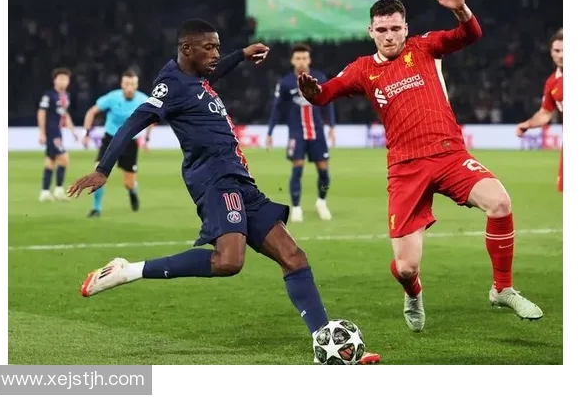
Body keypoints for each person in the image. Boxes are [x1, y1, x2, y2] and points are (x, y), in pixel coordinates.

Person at [67, 19, 380, 364]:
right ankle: (128, 270)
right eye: (210, 48)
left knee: (294, 257)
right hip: (215, 181)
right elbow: (134, 121)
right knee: (229, 261)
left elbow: (216, 71)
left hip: (241, 181)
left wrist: (242, 55)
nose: (217, 53)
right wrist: (103, 168)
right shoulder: (171, 85)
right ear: (187, 49)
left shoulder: (199, 78)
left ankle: (326, 345)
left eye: (218, 47)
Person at [297, 0, 543, 332]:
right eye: (382, 30)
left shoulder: (424, 47)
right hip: (405, 168)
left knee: (500, 202)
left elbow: (469, 35)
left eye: (395, 28)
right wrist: (312, 92)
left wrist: (461, 11)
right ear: (371, 31)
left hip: (448, 154)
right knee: (406, 267)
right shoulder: (362, 69)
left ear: (406, 28)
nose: (389, 36)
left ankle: (502, 289)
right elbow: (325, 94)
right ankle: (413, 292)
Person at [266, 43, 335, 222]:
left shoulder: (319, 78)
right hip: (296, 133)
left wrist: (332, 127)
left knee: (324, 173)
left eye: (304, 58)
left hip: (317, 132)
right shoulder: (286, 83)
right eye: (298, 58)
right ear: (292, 60)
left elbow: (328, 103)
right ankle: (296, 207)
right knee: (297, 169)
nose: (301, 61)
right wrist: (270, 133)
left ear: (309, 60)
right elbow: (276, 109)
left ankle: (321, 201)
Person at [81, 69, 155, 217]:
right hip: (110, 139)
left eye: (132, 84)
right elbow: (91, 112)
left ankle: (132, 191)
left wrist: (146, 139)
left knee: (128, 182)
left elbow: (153, 118)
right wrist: (86, 133)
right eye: (127, 84)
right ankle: (96, 209)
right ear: (122, 84)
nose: (129, 87)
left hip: (129, 142)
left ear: (137, 85)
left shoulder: (143, 100)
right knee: (98, 172)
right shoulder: (112, 97)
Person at [516, 28, 563, 192]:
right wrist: (527, 124)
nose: (561, 55)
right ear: (551, 52)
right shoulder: (552, 82)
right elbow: (545, 113)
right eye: (557, 51)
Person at [37, 67, 79, 202]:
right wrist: (42, 132)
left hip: (58, 131)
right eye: (60, 78)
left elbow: (65, 115)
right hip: (51, 131)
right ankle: (59, 190)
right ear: (54, 80)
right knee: (64, 158)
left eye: (65, 79)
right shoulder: (49, 95)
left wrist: (73, 130)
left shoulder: (66, 96)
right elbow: (41, 112)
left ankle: (45, 192)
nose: (63, 81)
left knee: (50, 161)